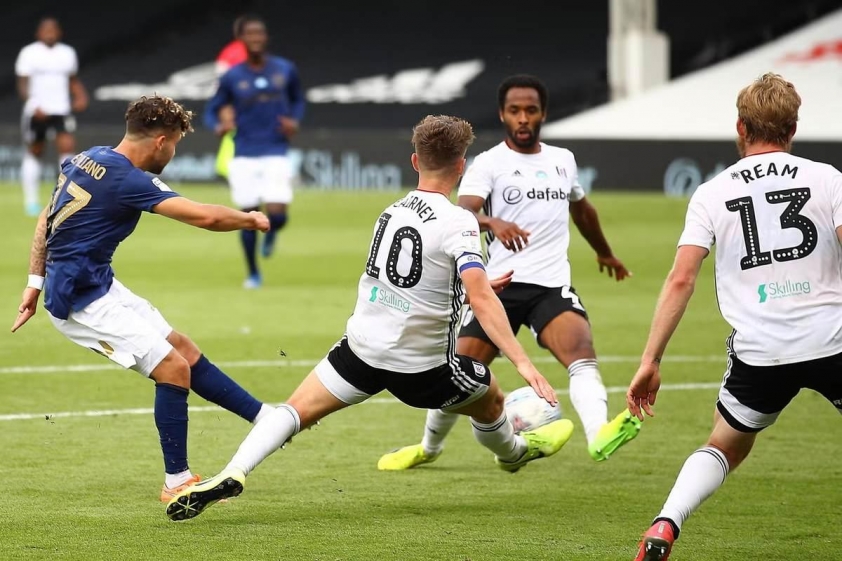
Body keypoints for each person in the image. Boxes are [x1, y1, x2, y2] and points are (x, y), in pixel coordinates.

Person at [165, 115, 575, 522]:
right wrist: (523, 361)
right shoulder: (459, 221)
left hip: (362, 351)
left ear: (415, 161)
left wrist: (468, 287)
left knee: (292, 412)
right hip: (422, 370)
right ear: (461, 166)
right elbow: (481, 298)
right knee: (491, 397)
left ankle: (233, 471)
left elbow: (409, 285)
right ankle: (515, 454)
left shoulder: (392, 211)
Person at [11, 94, 276, 503]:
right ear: (161, 141)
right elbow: (204, 216)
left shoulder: (87, 157)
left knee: (182, 350)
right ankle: (176, 482)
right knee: (173, 368)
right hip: (79, 303)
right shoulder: (128, 179)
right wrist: (250, 218)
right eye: (175, 145)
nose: (172, 153)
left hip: (97, 283)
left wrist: (34, 280)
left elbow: (46, 217)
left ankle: (266, 419)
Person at [627, 73, 842, 561]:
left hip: (761, 351)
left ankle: (666, 523)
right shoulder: (828, 178)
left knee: (725, 445)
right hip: (832, 339)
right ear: (793, 128)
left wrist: (651, 360)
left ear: (741, 127)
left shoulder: (712, 192)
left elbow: (681, 279)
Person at [377, 74, 639, 472]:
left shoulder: (562, 160)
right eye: (515, 110)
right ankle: (429, 448)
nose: (523, 118)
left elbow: (582, 209)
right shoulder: (489, 163)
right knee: (458, 372)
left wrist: (605, 253)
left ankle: (598, 434)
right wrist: (492, 222)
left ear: (543, 113)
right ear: (502, 114)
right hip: (498, 287)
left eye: (530, 110)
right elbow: (462, 211)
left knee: (581, 353)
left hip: (550, 286)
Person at [205, 14, 305, 289]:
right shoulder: (233, 76)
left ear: (266, 37)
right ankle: (253, 273)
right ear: (242, 39)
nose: (256, 39)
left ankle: (272, 233)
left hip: (275, 149)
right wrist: (218, 126)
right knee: (248, 217)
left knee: (278, 214)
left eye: (259, 33)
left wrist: (294, 121)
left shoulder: (284, 69)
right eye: (250, 34)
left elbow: (298, 99)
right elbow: (212, 109)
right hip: (244, 152)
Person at [15, 17, 88, 217]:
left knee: (67, 150)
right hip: (37, 111)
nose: (50, 33)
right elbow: (22, 83)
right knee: (35, 151)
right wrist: (33, 104)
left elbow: (71, 79)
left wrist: (80, 95)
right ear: (38, 33)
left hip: (61, 110)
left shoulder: (67, 53)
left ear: (59, 33)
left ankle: (64, 198)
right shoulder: (29, 53)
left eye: (53, 30)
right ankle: (31, 201)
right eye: (46, 30)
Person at [212, 15, 248, 181]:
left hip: (239, 103)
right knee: (234, 133)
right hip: (238, 103)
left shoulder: (228, 52)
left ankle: (225, 168)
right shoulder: (236, 53)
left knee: (232, 134)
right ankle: (227, 169)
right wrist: (225, 104)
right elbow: (221, 82)